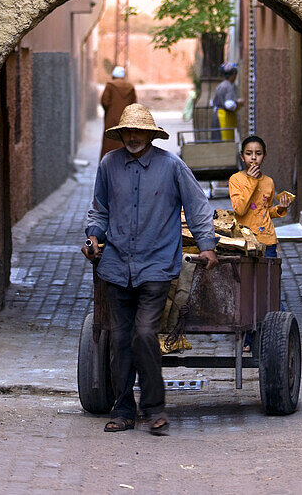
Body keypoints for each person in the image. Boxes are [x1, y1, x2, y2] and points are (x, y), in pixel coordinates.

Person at [82, 103, 218, 436]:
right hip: (115, 267)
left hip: (157, 266)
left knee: (144, 334)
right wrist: (93, 238)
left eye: (138, 132)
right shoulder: (108, 165)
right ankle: (124, 409)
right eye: (127, 131)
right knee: (120, 339)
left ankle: (155, 407)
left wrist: (207, 245)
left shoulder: (171, 166)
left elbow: (197, 206)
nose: (132, 137)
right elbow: (99, 211)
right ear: (121, 134)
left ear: (150, 135)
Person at [229, 134, 291, 351]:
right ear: (242, 156)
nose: (253, 158)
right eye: (249, 154)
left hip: (268, 241)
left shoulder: (269, 182)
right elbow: (240, 209)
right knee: (246, 289)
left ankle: (272, 337)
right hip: (244, 242)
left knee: (269, 288)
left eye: (258, 154)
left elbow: (265, 211)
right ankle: (246, 339)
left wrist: (281, 208)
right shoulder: (236, 180)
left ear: (264, 156)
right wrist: (252, 182)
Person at [99, 66, 137, 159]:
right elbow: (134, 104)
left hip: (111, 120)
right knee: (125, 141)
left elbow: (105, 101)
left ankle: (109, 164)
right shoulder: (130, 87)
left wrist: (110, 111)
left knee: (110, 142)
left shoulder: (110, 86)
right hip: (126, 120)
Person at [210, 61, 244, 141]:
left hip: (218, 116)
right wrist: (238, 103)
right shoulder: (228, 86)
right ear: (233, 74)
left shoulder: (221, 85)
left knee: (218, 141)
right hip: (224, 119)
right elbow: (229, 104)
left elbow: (212, 102)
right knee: (225, 144)